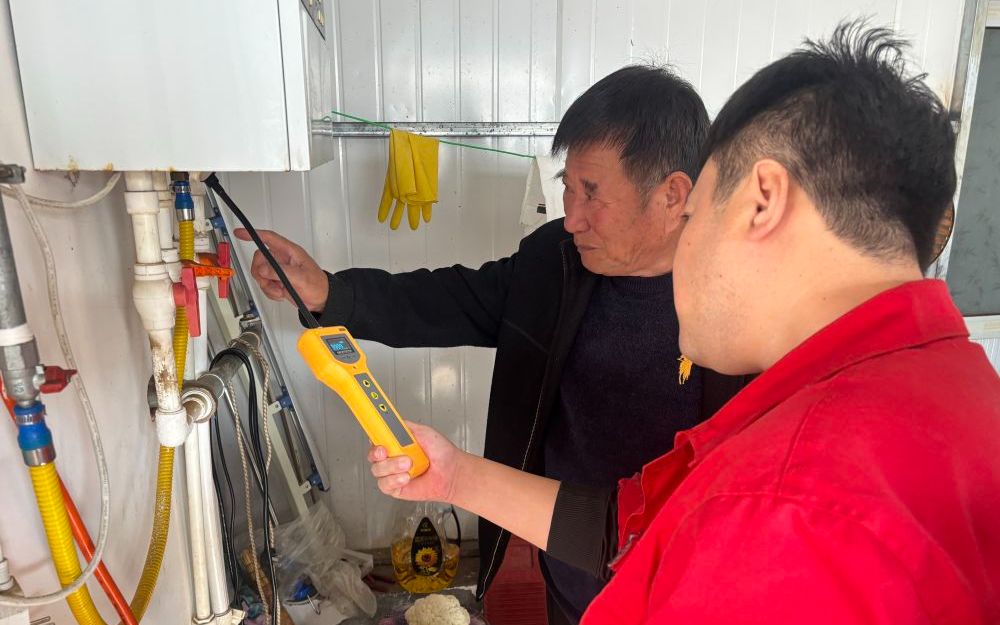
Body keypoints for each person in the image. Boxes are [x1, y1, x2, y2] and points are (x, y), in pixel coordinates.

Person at [367, 23, 1000, 624]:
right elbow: (630, 527)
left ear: (761, 202)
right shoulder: (955, 390)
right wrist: (456, 474)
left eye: (695, 215)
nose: (685, 251)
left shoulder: (786, 498)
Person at [237, 65, 746, 623]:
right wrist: (328, 292)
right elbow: (449, 300)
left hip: (685, 594)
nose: (571, 218)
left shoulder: (745, 312)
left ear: (672, 195)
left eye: (592, 193)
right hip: (567, 577)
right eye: (568, 187)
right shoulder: (555, 263)